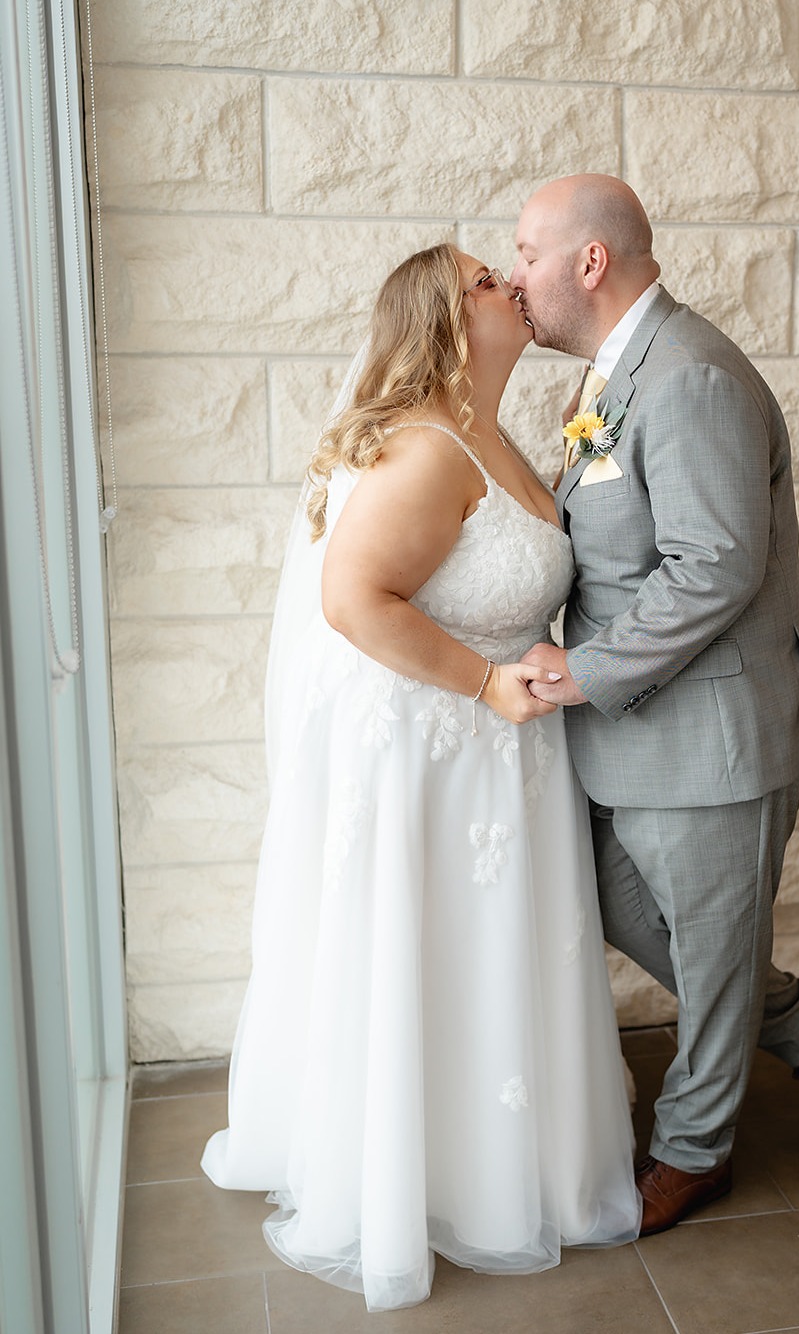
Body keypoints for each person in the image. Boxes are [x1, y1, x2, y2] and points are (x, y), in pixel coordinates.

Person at [201, 242, 641, 1311]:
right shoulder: (428, 450)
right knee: (425, 949)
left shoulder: (494, 436)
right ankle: (413, 1179)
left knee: (482, 959)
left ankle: (492, 1161)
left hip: (504, 755)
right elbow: (352, 599)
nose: (513, 284)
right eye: (489, 279)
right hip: (435, 750)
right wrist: (486, 684)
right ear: (448, 321)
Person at [510, 174, 799, 1236]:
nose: (514, 273)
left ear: (589, 262)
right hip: (630, 728)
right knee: (616, 902)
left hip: (713, 733)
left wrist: (584, 670)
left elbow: (712, 567)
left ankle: (693, 1148)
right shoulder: (617, 377)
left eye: (526, 251)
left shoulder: (691, 377)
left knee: (710, 958)